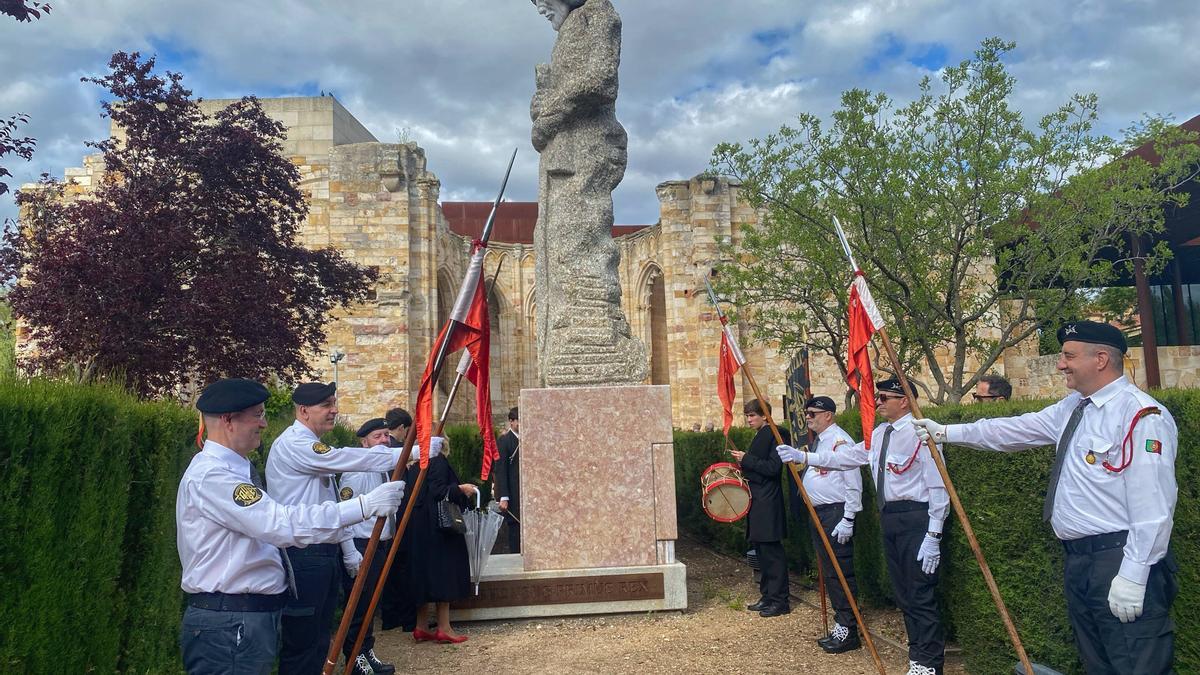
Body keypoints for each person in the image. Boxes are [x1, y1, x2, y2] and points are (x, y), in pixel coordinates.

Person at [913, 320, 1178, 674]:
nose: (1060, 364)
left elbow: (1154, 506)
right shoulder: (1074, 407)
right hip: (1081, 561)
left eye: (1069, 356)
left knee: (1136, 663)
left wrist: (1134, 572)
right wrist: (946, 431)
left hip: (1119, 558)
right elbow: (1016, 428)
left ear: (1101, 359)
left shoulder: (1141, 415)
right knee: (1099, 663)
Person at [177, 378, 404, 675]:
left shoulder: (235, 470)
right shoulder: (214, 476)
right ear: (228, 420)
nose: (264, 424)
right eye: (257, 414)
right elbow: (280, 523)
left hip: (243, 617)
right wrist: (363, 506)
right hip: (230, 620)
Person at [777, 378, 949, 675]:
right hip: (891, 516)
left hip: (917, 516)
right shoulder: (880, 433)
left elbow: (938, 486)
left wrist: (934, 533)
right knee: (904, 594)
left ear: (904, 401)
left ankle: (931, 662)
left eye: (884, 397)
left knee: (920, 593)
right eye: (877, 397)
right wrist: (804, 456)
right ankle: (917, 659)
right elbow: (847, 459)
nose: (877, 402)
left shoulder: (921, 431)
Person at [266, 382, 404, 675]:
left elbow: (329, 506)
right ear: (303, 410)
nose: (334, 410)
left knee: (318, 640)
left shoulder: (310, 445)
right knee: (303, 643)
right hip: (303, 554)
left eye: (334, 403)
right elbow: (346, 458)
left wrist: (346, 549)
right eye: (326, 405)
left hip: (320, 553)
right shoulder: (296, 444)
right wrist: (409, 452)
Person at [335, 418, 400, 675]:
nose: (384, 440)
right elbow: (344, 513)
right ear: (364, 443)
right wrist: (350, 551)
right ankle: (354, 658)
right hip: (362, 546)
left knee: (371, 605)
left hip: (380, 544)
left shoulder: (382, 469)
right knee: (358, 605)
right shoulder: (356, 471)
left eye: (386, 435)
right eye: (377, 436)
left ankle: (366, 651)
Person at [799, 396, 863, 654]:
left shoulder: (840, 441)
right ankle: (842, 623)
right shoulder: (821, 441)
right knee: (830, 572)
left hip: (835, 514)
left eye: (813, 413)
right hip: (820, 513)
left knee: (840, 571)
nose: (808, 417)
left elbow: (853, 482)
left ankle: (848, 629)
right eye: (807, 413)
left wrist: (848, 518)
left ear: (828, 415)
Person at [399, 435, 477, 644]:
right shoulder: (438, 461)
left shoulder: (414, 465)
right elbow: (439, 491)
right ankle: (444, 627)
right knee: (444, 572)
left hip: (418, 527)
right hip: (439, 528)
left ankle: (421, 625)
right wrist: (462, 489)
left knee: (424, 573)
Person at [730, 399, 791, 618]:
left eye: (752, 415)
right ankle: (767, 595)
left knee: (771, 551)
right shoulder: (761, 435)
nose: (748, 420)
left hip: (768, 499)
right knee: (762, 550)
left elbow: (773, 468)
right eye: (747, 416)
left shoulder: (777, 433)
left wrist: (747, 459)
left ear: (765, 415)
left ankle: (779, 599)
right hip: (756, 498)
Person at [493, 406, 521, 553]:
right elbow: (501, 470)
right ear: (511, 421)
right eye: (519, 421)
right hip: (512, 493)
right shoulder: (504, 441)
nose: (522, 425)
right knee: (515, 530)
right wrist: (504, 496)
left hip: (525, 494)